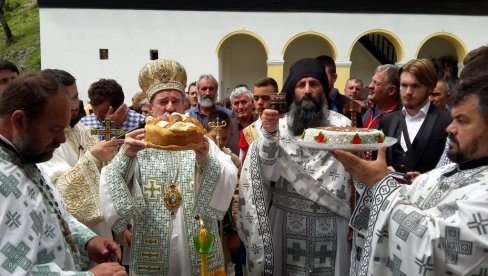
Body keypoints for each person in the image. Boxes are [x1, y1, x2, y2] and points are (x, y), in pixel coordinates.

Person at [333, 75, 488, 276]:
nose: (450, 128)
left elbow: (433, 247)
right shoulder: (446, 172)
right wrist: (366, 176)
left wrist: (379, 183)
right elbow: (399, 198)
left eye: (462, 120)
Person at [99, 59, 238, 275]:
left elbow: (228, 175)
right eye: (163, 101)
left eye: (176, 100)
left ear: (185, 104)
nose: (170, 107)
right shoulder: (136, 141)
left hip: (194, 235)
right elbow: (110, 181)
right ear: (151, 107)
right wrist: (125, 157)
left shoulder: (199, 138)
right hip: (152, 235)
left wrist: (205, 161)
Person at [0, 71, 126, 275]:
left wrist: (87, 240)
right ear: (19, 121)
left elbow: (54, 210)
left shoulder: (24, 155)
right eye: (55, 129)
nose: (62, 139)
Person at [238, 58, 352, 275]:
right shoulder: (275, 125)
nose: (308, 90)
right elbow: (268, 171)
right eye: (301, 84)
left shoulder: (343, 126)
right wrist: (270, 136)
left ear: (324, 88)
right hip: (285, 222)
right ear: (293, 89)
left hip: (331, 220)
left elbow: (353, 177)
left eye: (314, 83)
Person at [38, 69, 123, 239]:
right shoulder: (42, 139)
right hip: (70, 234)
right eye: (67, 99)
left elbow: (107, 173)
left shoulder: (83, 130)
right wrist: (92, 158)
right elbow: (58, 191)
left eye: (76, 97)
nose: (74, 105)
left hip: (102, 230)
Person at [379, 59, 451, 175]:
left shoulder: (447, 121)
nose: (408, 92)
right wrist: (383, 169)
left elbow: (453, 167)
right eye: (404, 85)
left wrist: (424, 181)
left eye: (415, 86)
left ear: (430, 87)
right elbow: (378, 157)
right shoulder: (387, 120)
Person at [186, 74, 239, 154]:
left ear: (216, 91)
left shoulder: (229, 114)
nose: (207, 93)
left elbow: (232, 145)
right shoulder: (187, 116)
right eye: (204, 89)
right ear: (197, 91)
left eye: (211, 89)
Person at [80, 79, 144, 140]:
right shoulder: (84, 124)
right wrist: (109, 127)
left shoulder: (140, 122)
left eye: (103, 112)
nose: (97, 116)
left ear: (120, 107)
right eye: (94, 110)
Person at [317, 55, 362, 126]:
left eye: (323, 76)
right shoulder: (310, 103)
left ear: (334, 77)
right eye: (316, 76)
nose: (319, 80)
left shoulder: (350, 106)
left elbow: (357, 135)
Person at [239, 77, 277, 161]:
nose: (259, 102)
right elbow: (244, 166)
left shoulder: (287, 127)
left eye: (265, 98)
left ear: (275, 99)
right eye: (256, 98)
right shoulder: (247, 132)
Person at [362, 64, 402, 129]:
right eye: (372, 81)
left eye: (376, 83)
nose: (370, 86)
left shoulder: (401, 119)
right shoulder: (369, 109)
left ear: (391, 90)